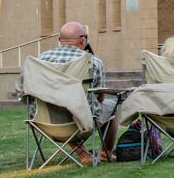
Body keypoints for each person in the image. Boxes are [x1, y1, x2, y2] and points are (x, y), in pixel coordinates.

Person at [35, 21, 117, 163]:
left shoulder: (39, 60)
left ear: (60, 40)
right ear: (82, 39)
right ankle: (105, 153)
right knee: (112, 106)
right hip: (82, 122)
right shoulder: (93, 62)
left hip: (44, 122)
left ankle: (82, 153)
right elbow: (100, 99)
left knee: (60, 108)